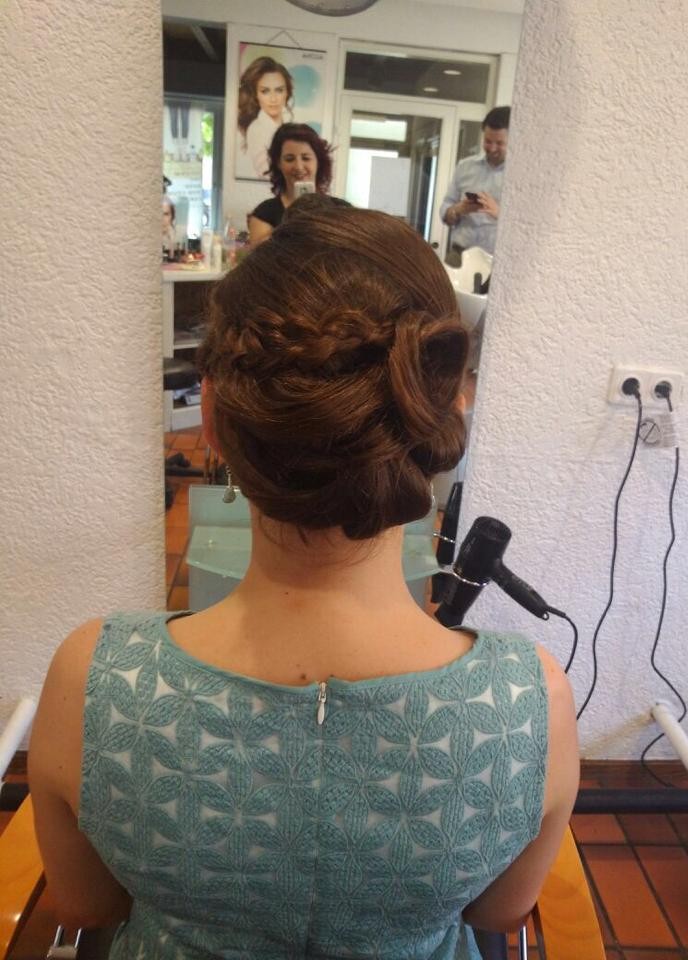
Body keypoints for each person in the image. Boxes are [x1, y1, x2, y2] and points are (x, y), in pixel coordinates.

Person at [29, 198, 578, 960]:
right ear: (446, 411)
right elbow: (499, 913)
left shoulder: (96, 679)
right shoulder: (528, 702)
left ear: (212, 417)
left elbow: (85, 904)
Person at [440, 105, 510, 262]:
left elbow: (526, 225)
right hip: (459, 254)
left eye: (499, 143)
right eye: (488, 141)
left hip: (499, 260)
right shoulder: (464, 166)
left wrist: (499, 213)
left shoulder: (520, 177)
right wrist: (457, 210)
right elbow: (446, 208)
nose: (492, 148)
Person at [247, 123, 334, 247]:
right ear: (279, 163)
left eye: (306, 158)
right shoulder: (265, 214)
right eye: (289, 159)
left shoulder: (340, 209)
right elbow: (258, 256)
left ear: (318, 161)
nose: (298, 167)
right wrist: (294, 222)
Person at [235, 56, 294, 179]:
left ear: (287, 92)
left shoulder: (288, 125)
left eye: (279, 90)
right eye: (265, 91)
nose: (273, 99)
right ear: (256, 95)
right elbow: (267, 175)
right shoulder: (256, 129)